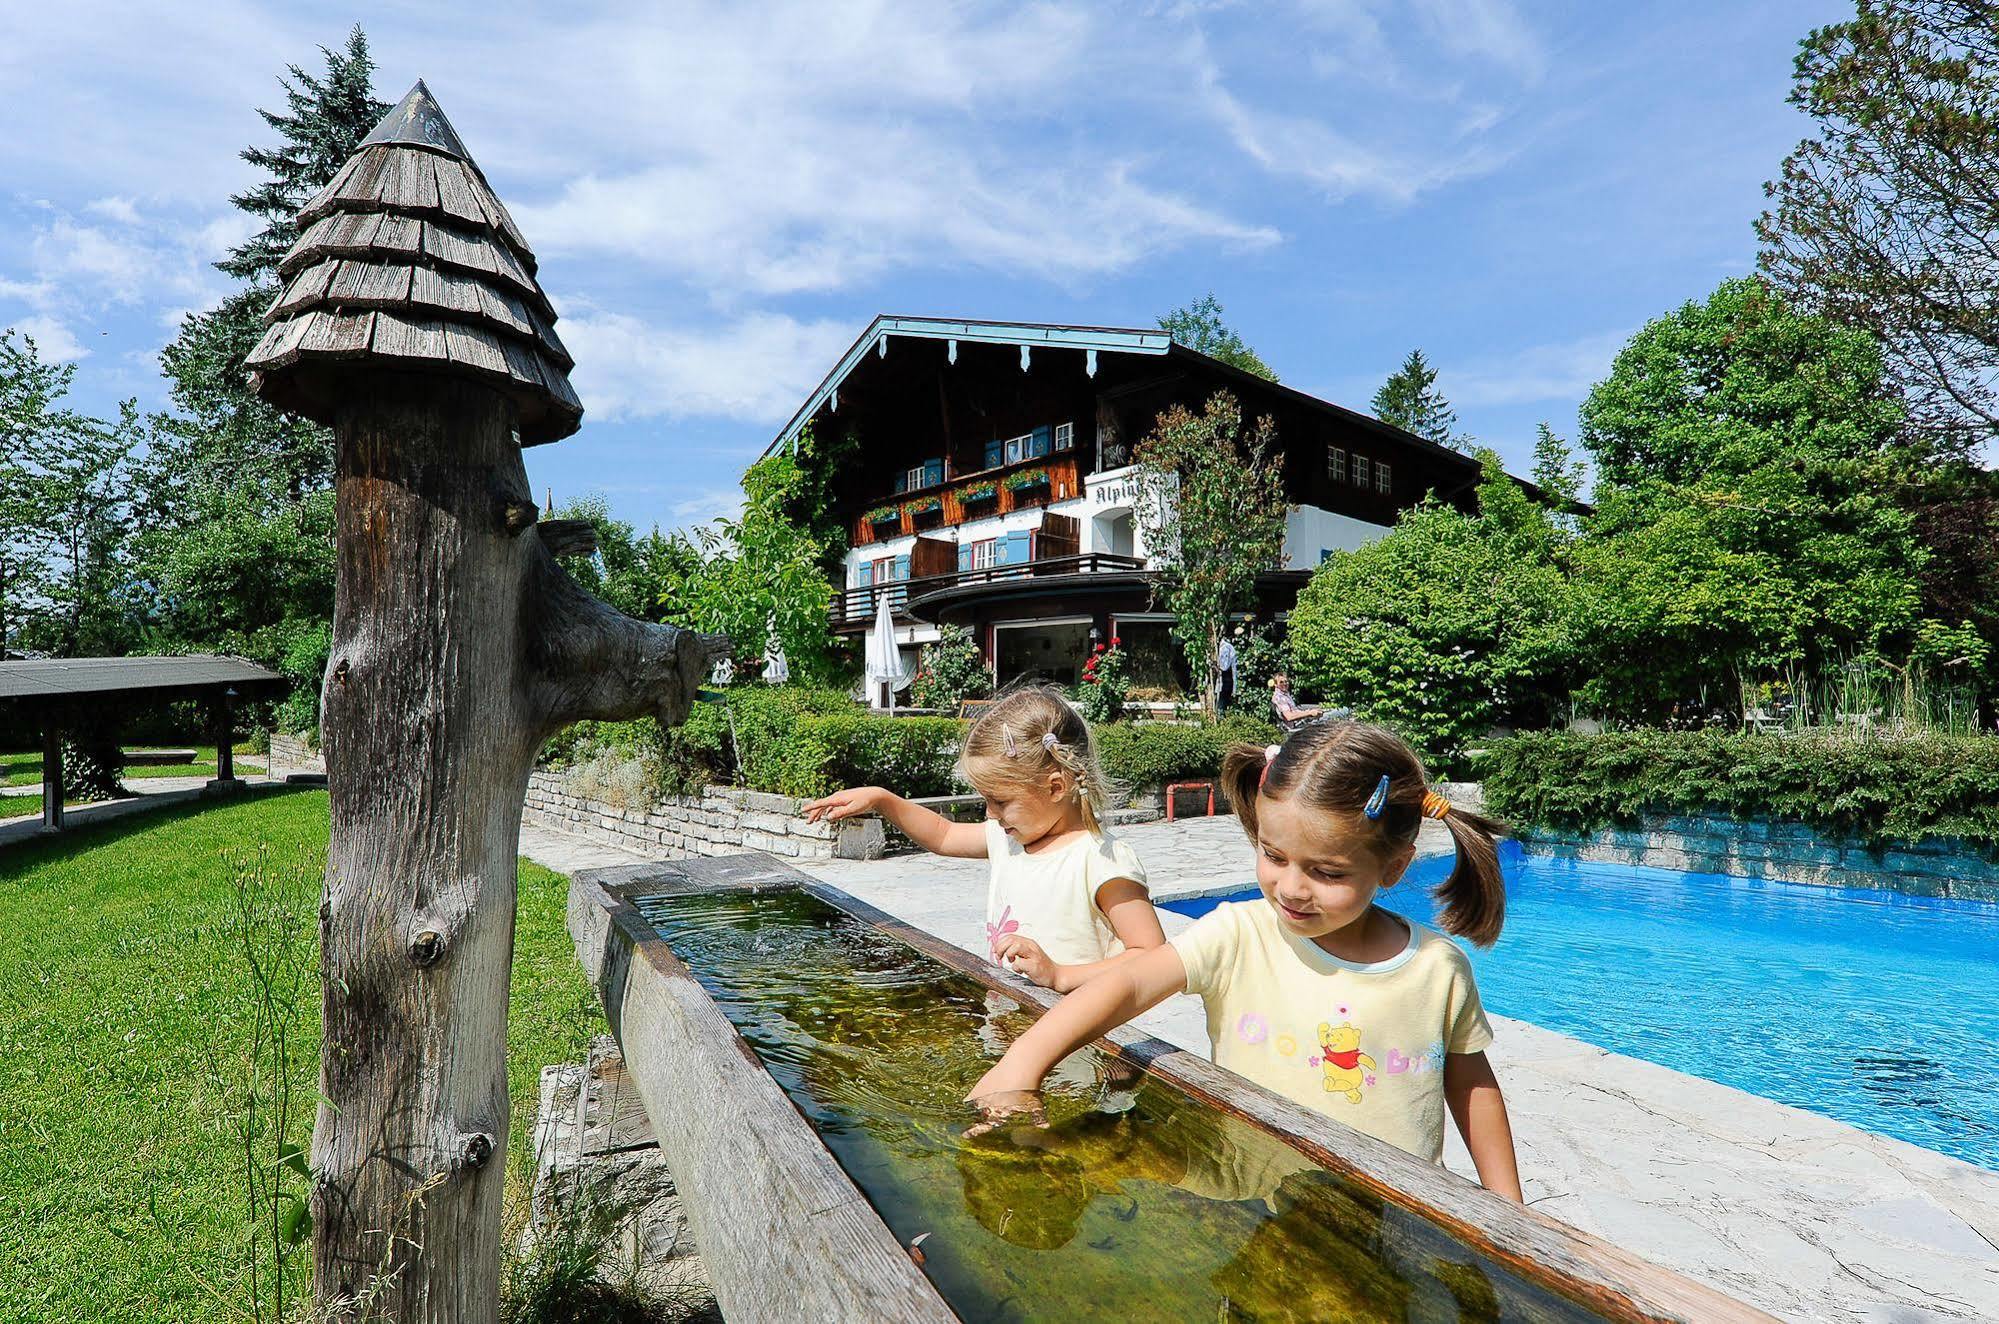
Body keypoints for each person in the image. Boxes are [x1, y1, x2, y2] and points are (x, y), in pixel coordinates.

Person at [965, 719, 1523, 1199]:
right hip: (1247, 1188)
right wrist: (1022, 1063)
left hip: (1390, 1209)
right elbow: (1128, 985)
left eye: (1327, 872)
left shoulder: (1437, 968)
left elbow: (1470, 1082)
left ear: (1395, 867)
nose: (1292, 888)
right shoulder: (1238, 934)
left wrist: (1508, 1213)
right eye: (1272, 855)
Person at [802, 684, 1165, 994]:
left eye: (1000, 801)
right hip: (1014, 1020)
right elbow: (943, 835)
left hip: (1082, 1042)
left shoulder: (1100, 860)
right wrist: (883, 799)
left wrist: (1061, 975)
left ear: (1056, 787)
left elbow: (1151, 956)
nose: (990, 813)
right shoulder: (1010, 840)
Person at [1216, 632, 1238, 714]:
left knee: (1221, 709)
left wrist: (1214, 664)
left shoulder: (1226, 648)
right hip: (1219, 684)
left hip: (1224, 684)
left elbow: (1224, 667)